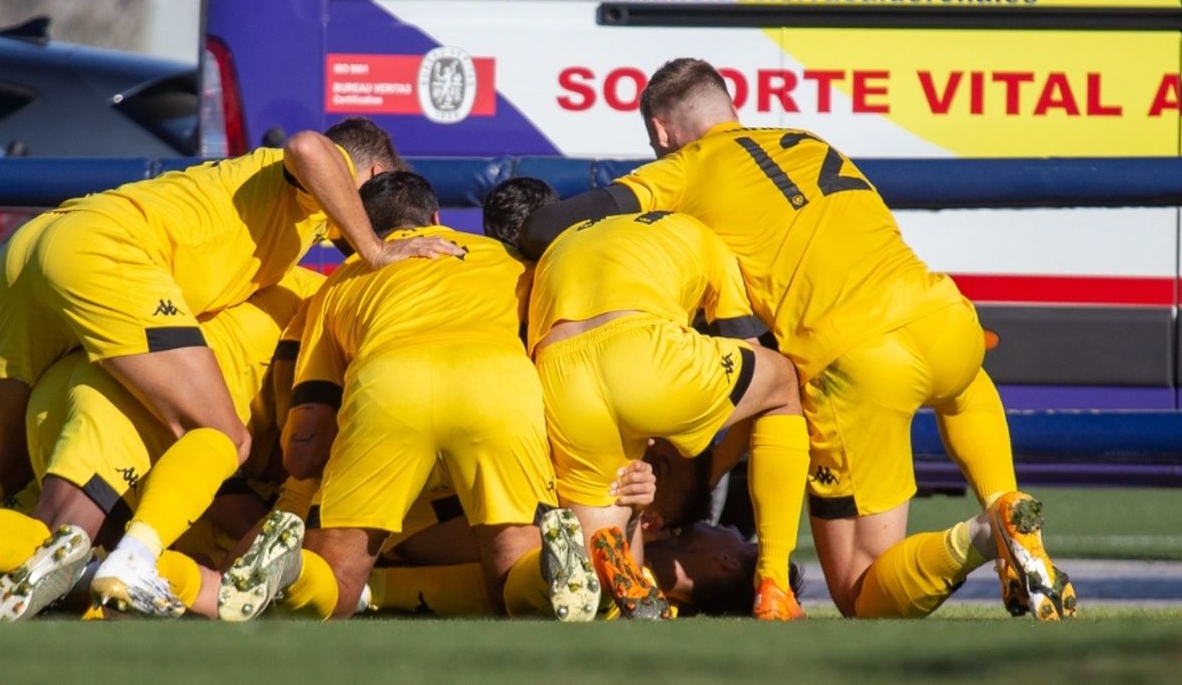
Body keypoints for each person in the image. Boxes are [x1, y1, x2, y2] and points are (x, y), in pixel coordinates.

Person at [0, 118, 459, 612]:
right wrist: (376, 252)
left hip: (40, 244)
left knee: (3, 468)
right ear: (371, 173)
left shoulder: (282, 230)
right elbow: (310, 147)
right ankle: (136, 559)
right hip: (107, 255)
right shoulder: (309, 185)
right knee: (220, 436)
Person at [520, 57, 1076, 621]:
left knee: (860, 591)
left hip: (856, 358)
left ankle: (973, 536)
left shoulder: (681, 170)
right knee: (963, 385)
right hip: (945, 315)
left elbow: (545, 227)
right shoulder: (808, 141)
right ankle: (1006, 501)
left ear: (662, 134)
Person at [214, 171, 598, 623]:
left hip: (389, 386)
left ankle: (294, 573)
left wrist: (309, 487)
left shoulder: (337, 285)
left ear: (362, 231)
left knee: (334, 585)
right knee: (513, 578)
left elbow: (307, 443)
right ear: (436, 218)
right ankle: (547, 573)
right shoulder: (507, 259)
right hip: (498, 385)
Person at [526, 207, 810, 620]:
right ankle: (773, 581)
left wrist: (645, 509)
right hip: (633, 353)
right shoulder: (715, 246)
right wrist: (709, 471)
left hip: (561, 368)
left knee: (588, 568)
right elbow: (754, 363)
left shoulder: (584, 230)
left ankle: (614, 583)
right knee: (782, 381)